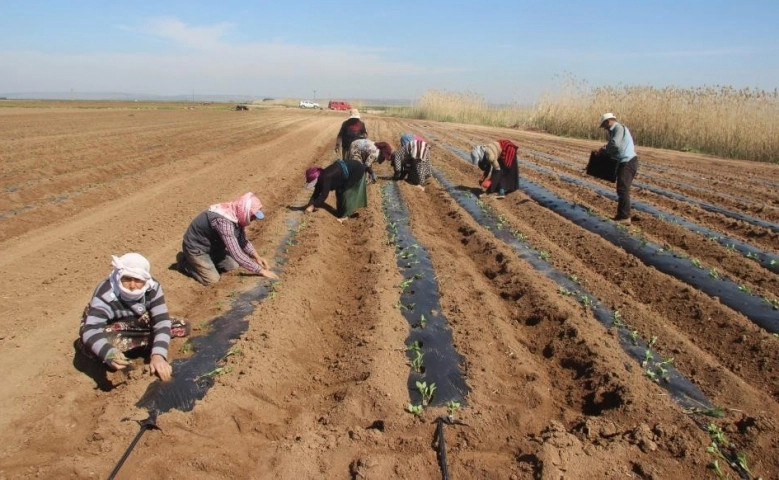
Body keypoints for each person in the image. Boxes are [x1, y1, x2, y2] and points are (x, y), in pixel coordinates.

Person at [79, 253, 190, 381]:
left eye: (138, 281)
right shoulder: (106, 292)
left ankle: (137, 346)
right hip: (111, 328)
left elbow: (161, 321)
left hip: (135, 323)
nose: (132, 285)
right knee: (95, 344)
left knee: (182, 326)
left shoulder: (152, 288)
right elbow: (91, 329)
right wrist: (109, 354)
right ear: (118, 276)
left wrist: (158, 355)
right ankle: (134, 347)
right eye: (126, 279)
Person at [177, 192, 279, 286]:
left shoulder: (236, 215)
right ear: (245, 211)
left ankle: (210, 262)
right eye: (253, 216)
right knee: (213, 281)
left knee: (233, 266)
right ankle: (185, 263)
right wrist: (261, 271)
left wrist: (257, 257)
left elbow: (242, 240)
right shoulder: (224, 222)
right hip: (197, 249)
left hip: (214, 248)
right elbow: (236, 253)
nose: (254, 219)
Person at [599, 113, 638, 225]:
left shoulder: (618, 128)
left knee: (623, 189)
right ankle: (621, 215)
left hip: (628, 162)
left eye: (604, 125)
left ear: (608, 121)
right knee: (621, 188)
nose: (604, 128)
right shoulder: (615, 129)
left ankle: (625, 217)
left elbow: (615, 145)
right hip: (625, 161)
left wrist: (605, 149)